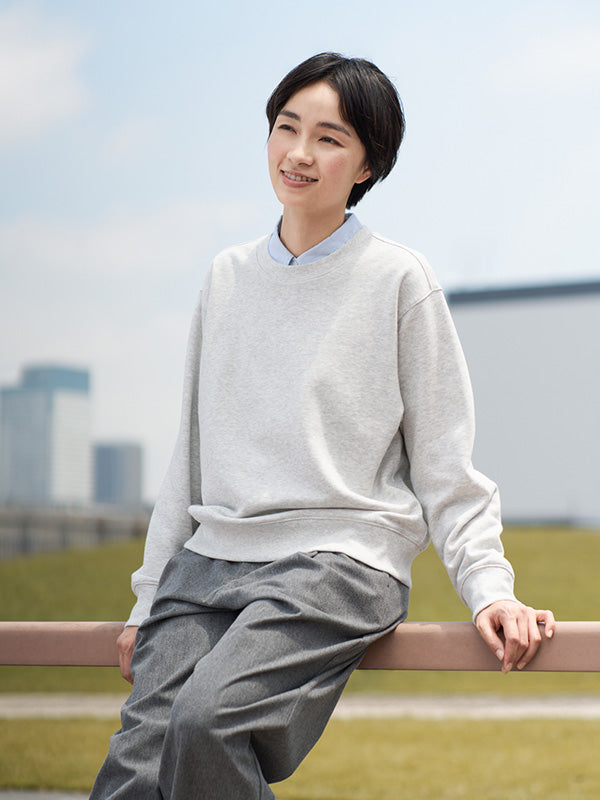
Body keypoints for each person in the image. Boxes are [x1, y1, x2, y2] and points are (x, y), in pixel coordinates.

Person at [90, 52, 555, 800]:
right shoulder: (226, 277)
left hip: (335, 566)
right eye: (286, 128)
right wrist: (150, 598)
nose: (300, 153)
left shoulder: (400, 280)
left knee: (207, 725)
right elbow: (192, 458)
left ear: (369, 162)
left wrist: (489, 590)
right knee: (135, 769)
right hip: (209, 566)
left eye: (331, 138)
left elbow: (445, 463)